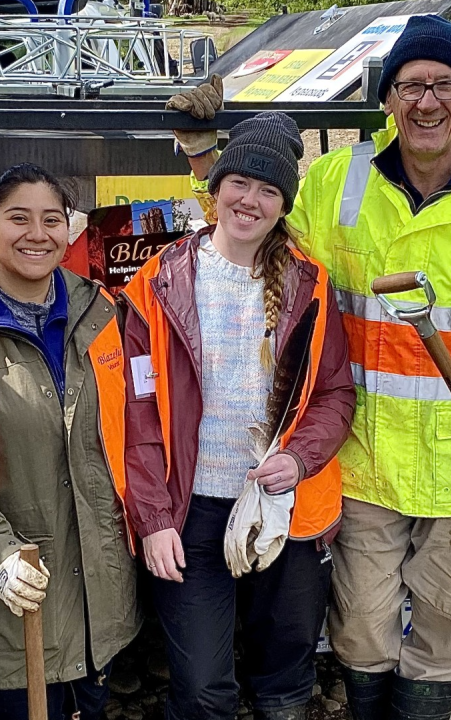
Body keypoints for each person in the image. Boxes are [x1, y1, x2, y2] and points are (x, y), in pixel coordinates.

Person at [167, 16, 451, 720]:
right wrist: (206, 158)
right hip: (363, 457)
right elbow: (260, 223)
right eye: (410, 85)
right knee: (360, 628)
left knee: (445, 624)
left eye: (445, 84)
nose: (427, 102)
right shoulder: (340, 181)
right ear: (388, 99)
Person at [121, 112, 356, 720]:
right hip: (190, 511)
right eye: (240, 183)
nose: (250, 201)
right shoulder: (160, 283)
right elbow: (138, 412)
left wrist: (298, 458)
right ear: (217, 187)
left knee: (285, 679)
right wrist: (153, 520)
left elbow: (335, 395)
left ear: (283, 205)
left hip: (284, 508)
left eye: (269, 190)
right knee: (202, 690)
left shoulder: (311, 287)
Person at [0, 163, 140, 720]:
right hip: (18, 585)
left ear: (70, 233)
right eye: (18, 218)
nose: (37, 234)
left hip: (98, 588)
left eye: (52, 219)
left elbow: (131, 436)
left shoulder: (102, 314)